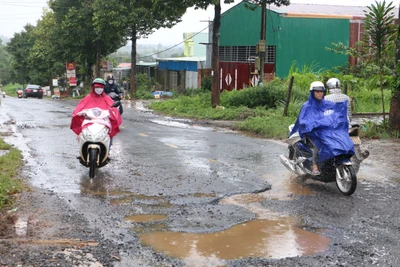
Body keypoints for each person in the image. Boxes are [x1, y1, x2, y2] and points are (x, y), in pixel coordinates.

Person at [290, 81, 354, 176]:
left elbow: (336, 114)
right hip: (313, 132)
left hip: (327, 130)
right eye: (317, 92)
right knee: (318, 145)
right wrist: (313, 124)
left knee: (341, 138)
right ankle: (315, 165)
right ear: (312, 92)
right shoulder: (307, 106)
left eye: (321, 92)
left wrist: (340, 120)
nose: (320, 94)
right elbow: (303, 121)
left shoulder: (328, 104)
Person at [70, 78, 122, 147]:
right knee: (82, 132)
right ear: (93, 87)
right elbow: (79, 108)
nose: (99, 89)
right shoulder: (87, 98)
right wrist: (79, 113)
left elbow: (113, 108)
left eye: (101, 87)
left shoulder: (107, 98)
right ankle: (82, 148)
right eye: (97, 87)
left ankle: (108, 149)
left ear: (103, 88)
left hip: (103, 122)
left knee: (109, 132)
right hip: (89, 121)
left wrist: (113, 112)